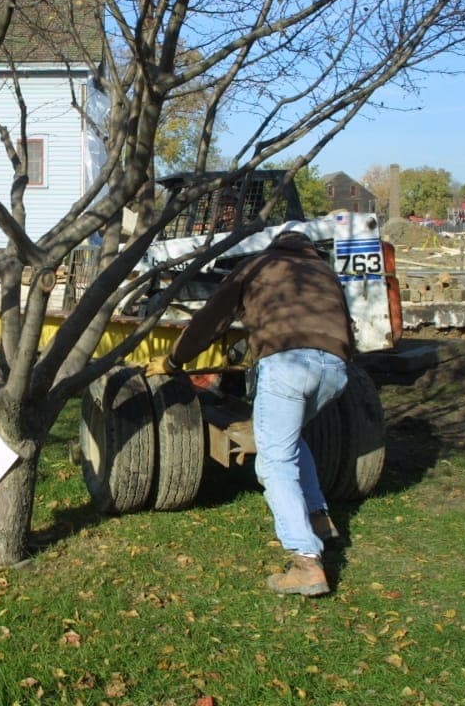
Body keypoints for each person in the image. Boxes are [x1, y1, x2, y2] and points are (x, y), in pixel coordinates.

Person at [145, 230, 353, 597]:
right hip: (335, 368)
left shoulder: (258, 265)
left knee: (274, 461)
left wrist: (175, 359)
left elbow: (212, 319)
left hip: (287, 361)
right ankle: (320, 520)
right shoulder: (325, 273)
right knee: (289, 440)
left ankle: (306, 562)